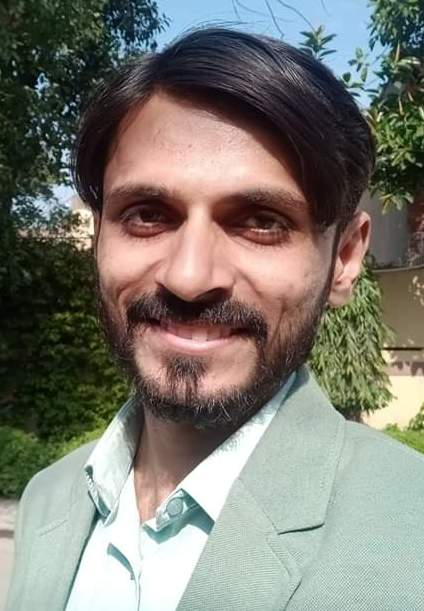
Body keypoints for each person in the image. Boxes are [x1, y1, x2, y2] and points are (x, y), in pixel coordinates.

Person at [7, 27, 424, 611]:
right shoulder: (47, 500)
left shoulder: (409, 538)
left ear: (344, 259)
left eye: (261, 221)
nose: (189, 277)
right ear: (99, 236)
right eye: (147, 214)